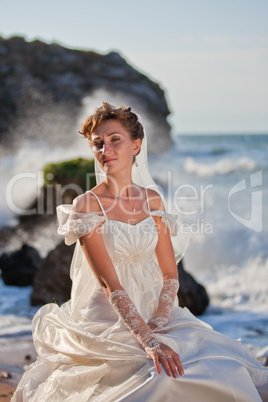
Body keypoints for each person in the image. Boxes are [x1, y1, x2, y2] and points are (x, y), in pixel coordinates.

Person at [12, 103, 268, 401]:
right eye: (98, 143)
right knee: (154, 378)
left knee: (217, 367)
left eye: (114, 139)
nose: (105, 149)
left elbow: (170, 273)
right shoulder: (87, 205)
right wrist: (147, 338)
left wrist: (159, 321)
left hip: (155, 309)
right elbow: (109, 283)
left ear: (136, 145)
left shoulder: (153, 201)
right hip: (108, 316)